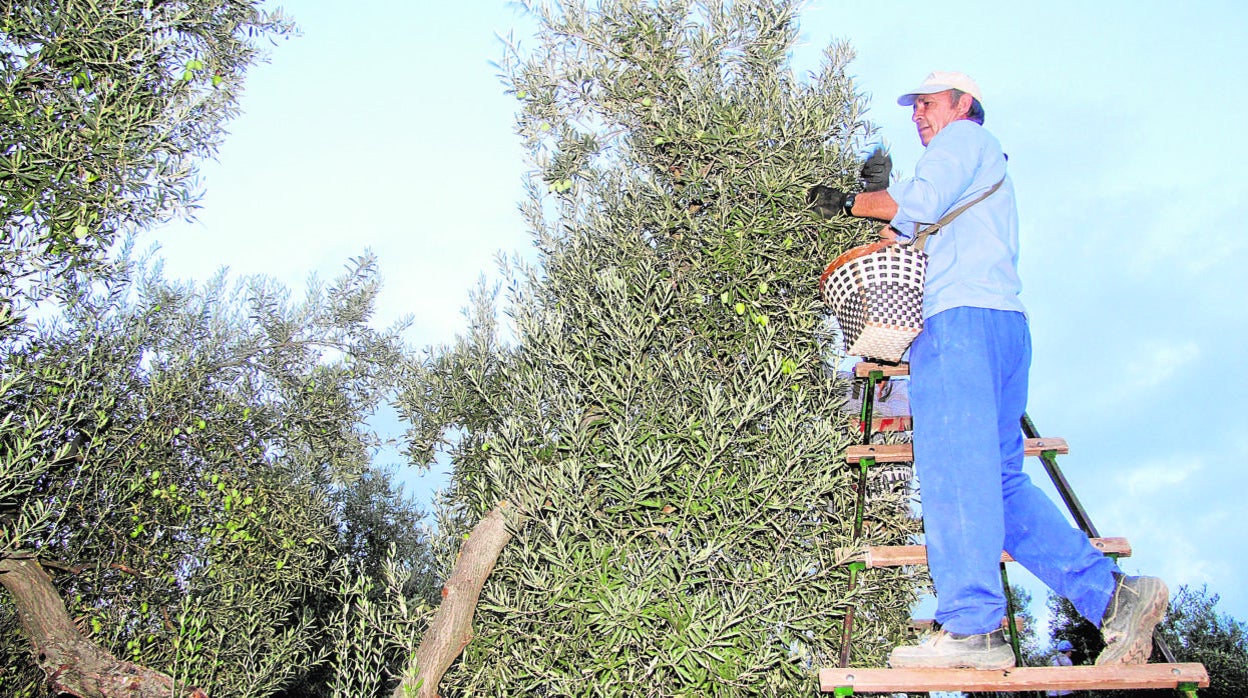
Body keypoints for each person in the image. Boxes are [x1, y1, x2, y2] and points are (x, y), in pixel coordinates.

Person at [808, 71, 1169, 670]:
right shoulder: (980, 161)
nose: (918, 114)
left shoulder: (962, 140)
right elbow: (909, 232)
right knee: (999, 485)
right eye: (914, 107)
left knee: (954, 470)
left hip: (959, 326)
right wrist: (879, 201)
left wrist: (848, 202)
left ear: (963, 104)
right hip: (1002, 327)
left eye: (928, 103)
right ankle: (1115, 599)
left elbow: (917, 206)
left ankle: (972, 629)